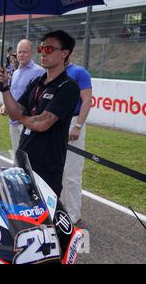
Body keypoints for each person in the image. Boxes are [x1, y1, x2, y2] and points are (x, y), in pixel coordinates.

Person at [0, 30, 80, 196]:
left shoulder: (68, 86)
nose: (43, 53)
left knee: (43, 220)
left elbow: (42, 124)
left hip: (47, 167)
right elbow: (14, 112)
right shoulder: (37, 82)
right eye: (42, 49)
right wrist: (4, 86)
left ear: (64, 53)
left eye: (49, 49)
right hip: (24, 159)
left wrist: (19, 116)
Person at [0, 40, 45, 159]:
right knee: (17, 156)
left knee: (29, 158)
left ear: (32, 53)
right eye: (19, 52)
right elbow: (12, 95)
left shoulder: (40, 71)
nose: (21, 55)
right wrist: (5, 106)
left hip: (27, 123)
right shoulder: (15, 73)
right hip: (13, 123)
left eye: (24, 52)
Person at [60, 61, 92, 224]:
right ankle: (60, 208)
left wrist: (78, 125)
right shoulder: (53, 71)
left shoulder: (79, 72)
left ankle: (73, 213)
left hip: (73, 122)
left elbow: (87, 100)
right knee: (57, 169)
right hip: (56, 122)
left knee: (72, 172)